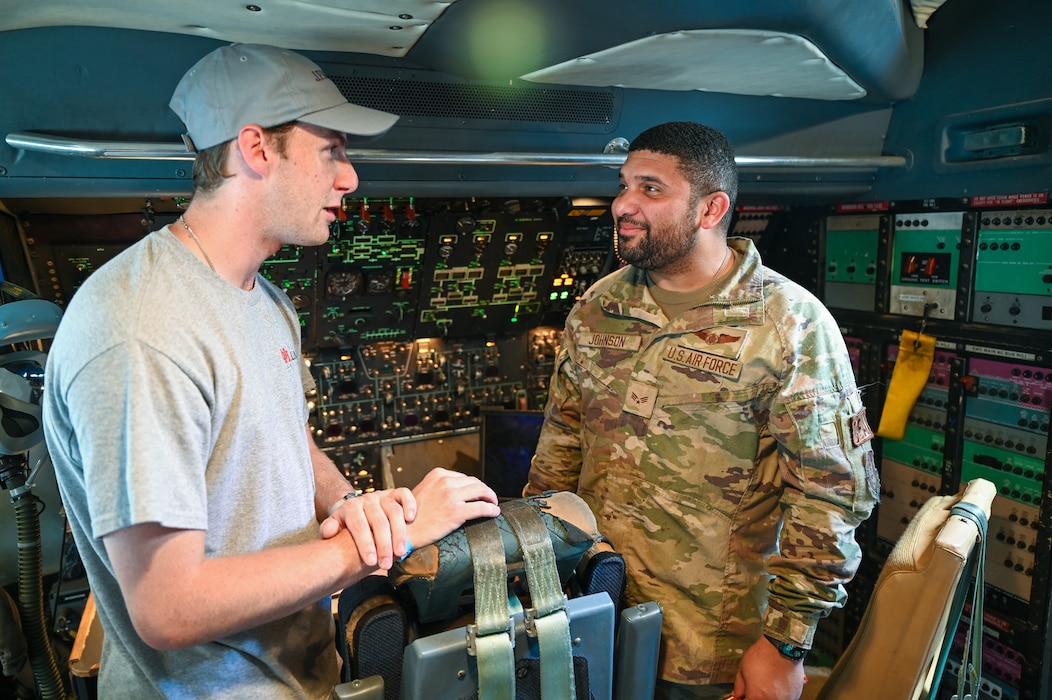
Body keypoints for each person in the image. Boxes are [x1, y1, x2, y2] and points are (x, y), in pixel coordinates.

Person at [42, 43, 501, 699]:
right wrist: (378, 547)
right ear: (256, 149)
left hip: (297, 674)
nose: (350, 179)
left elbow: (284, 435)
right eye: (332, 151)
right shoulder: (141, 329)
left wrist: (350, 506)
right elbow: (169, 607)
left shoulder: (264, 299)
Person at [524, 121, 879, 700]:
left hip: (709, 648)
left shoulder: (790, 323)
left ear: (711, 208)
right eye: (623, 186)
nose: (624, 206)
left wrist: (785, 645)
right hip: (590, 616)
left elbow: (832, 493)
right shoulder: (598, 307)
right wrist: (536, 579)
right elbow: (559, 451)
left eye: (651, 189)